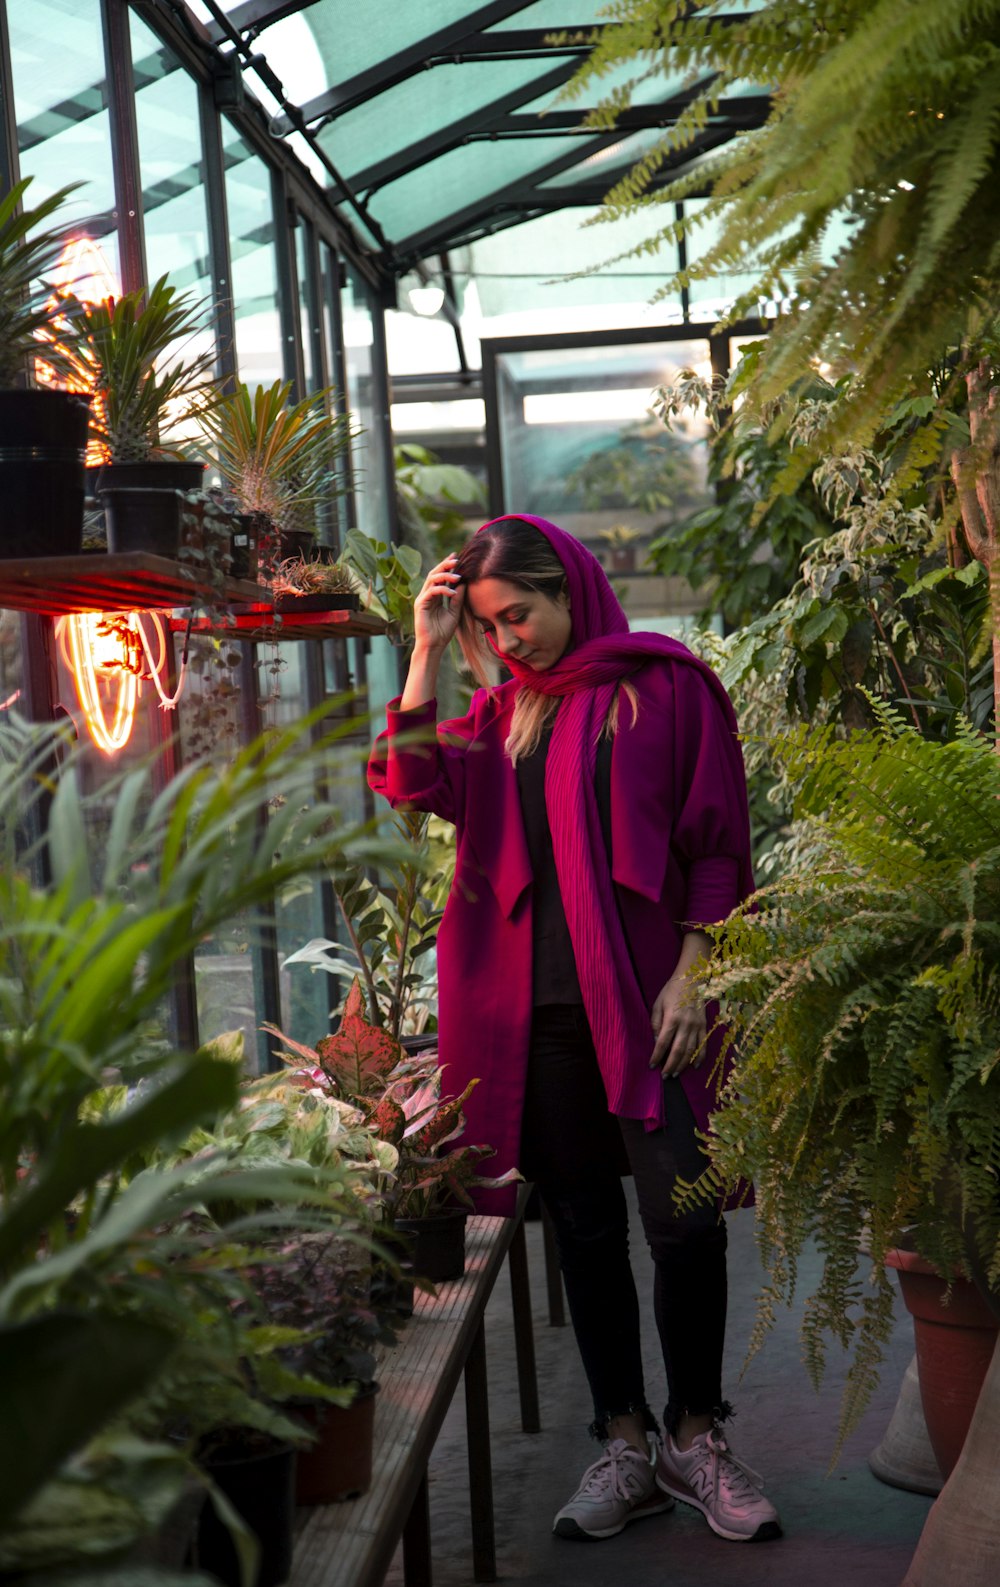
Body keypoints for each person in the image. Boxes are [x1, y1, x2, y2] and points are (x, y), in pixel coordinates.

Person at [368, 515, 781, 1545]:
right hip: (532, 1017)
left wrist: (695, 972)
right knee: (585, 1231)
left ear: (571, 590)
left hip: (648, 1005)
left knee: (682, 1220)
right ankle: (625, 1443)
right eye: (492, 627)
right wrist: (426, 643)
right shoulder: (504, 715)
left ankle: (697, 1436)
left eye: (523, 616)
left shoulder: (666, 689)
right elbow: (410, 780)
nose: (511, 642)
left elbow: (720, 847)